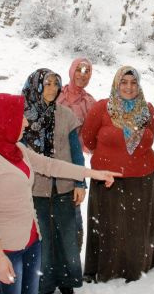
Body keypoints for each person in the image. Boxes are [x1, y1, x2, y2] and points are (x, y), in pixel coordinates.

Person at [0, 93, 120, 294]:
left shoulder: (18, 149)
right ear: (1, 121)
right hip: (5, 250)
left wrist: (93, 174)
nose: (25, 122)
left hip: (32, 243)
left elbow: (50, 166)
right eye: (19, 117)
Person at [82, 66, 154, 283]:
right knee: (109, 227)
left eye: (133, 83)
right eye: (124, 82)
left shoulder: (148, 110)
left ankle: (138, 265)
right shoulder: (101, 108)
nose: (129, 87)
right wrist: (111, 156)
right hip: (108, 180)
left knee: (137, 228)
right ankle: (109, 268)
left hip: (141, 179)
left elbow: (149, 138)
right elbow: (88, 139)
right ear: (116, 84)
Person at [21, 68, 86, 294]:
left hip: (65, 187)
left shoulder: (66, 114)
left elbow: (76, 152)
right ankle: (45, 285)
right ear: (36, 85)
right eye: (47, 83)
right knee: (43, 241)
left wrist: (80, 183)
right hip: (35, 190)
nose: (52, 88)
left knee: (67, 237)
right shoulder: (24, 117)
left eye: (55, 84)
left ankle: (67, 282)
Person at [56, 58, 97, 251]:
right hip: (46, 161)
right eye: (79, 69)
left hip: (73, 163)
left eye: (87, 71)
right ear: (71, 70)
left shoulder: (90, 103)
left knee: (73, 213)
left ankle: (72, 259)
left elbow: (95, 134)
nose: (82, 74)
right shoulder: (55, 94)